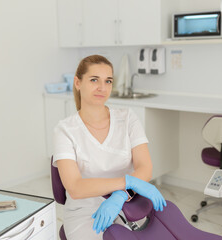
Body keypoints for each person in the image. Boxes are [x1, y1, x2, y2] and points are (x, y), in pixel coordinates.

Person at [52, 55, 166, 240]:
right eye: (94, 80)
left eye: (108, 81)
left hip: (126, 204)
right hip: (85, 212)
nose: (102, 88)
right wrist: (128, 182)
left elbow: (145, 168)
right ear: (78, 83)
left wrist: (120, 195)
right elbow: (75, 187)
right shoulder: (65, 130)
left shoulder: (128, 118)